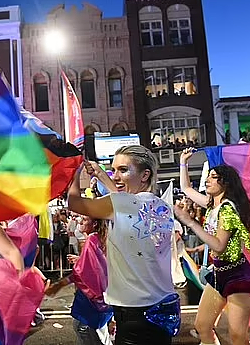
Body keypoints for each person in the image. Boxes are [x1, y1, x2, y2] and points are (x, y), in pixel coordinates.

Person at [68, 145, 179, 345]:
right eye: (114, 170)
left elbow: (74, 202)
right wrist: (102, 175)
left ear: (145, 175)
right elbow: (126, 202)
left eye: (123, 170)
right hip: (164, 309)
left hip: (135, 314)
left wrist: (75, 170)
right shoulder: (162, 206)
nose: (116, 176)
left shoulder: (120, 204)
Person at [175, 161, 250, 345]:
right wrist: (183, 162)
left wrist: (190, 222)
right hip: (218, 273)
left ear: (226, 183)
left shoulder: (228, 209)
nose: (208, 180)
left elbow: (219, 245)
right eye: (208, 176)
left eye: (214, 177)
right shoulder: (212, 205)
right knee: (203, 326)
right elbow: (186, 188)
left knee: (238, 336)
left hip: (237, 276)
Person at [46, 216, 113, 345]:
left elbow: (85, 272)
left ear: (94, 224)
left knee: (84, 329)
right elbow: (100, 265)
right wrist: (81, 260)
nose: (80, 222)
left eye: (85, 219)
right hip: (105, 300)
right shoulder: (102, 238)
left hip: (92, 301)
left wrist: (60, 284)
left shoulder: (92, 239)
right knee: (99, 333)